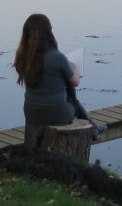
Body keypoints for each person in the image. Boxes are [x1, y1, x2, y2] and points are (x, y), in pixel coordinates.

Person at [14, 13, 84, 149]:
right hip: (58, 114)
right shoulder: (57, 57)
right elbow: (76, 82)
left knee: (61, 81)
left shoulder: (21, 56)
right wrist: (72, 68)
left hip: (31, 112)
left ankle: (93, 127)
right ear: (48, 32)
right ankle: (92, 127)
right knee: (69, 87)